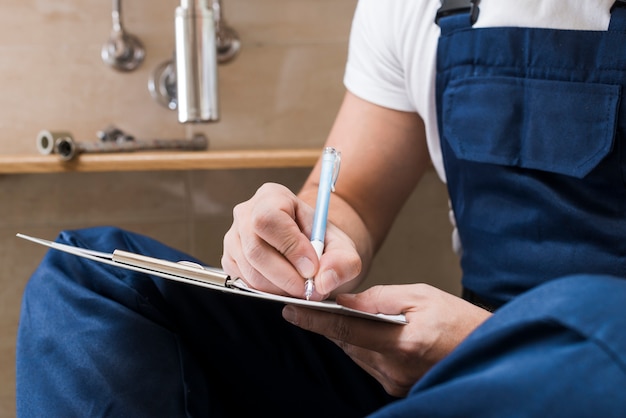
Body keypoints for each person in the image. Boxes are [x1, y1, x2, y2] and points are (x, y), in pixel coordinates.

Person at [16, 0, 626, 416]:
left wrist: (496, 343)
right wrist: (302, 232)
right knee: (89, 272)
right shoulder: (410, 8)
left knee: (592, 312)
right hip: (465, 368)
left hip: (601, 362)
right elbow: (350, 196)